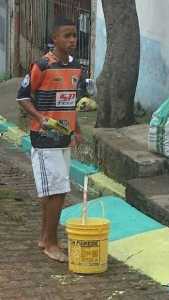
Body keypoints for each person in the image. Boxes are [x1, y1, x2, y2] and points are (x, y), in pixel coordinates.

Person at [16, 16, 87, 262]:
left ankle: (45, 238)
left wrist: (76, 130)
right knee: (58, 191)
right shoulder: (42, 65)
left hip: (64, 138)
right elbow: (23, 97)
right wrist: (40, 117)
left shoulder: (77, 67)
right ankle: (51, 242)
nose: (72, 40)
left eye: (74, 35)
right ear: (54, 38)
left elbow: (72, 102)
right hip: (44, 137)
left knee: (54, 192)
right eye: (66, 35)